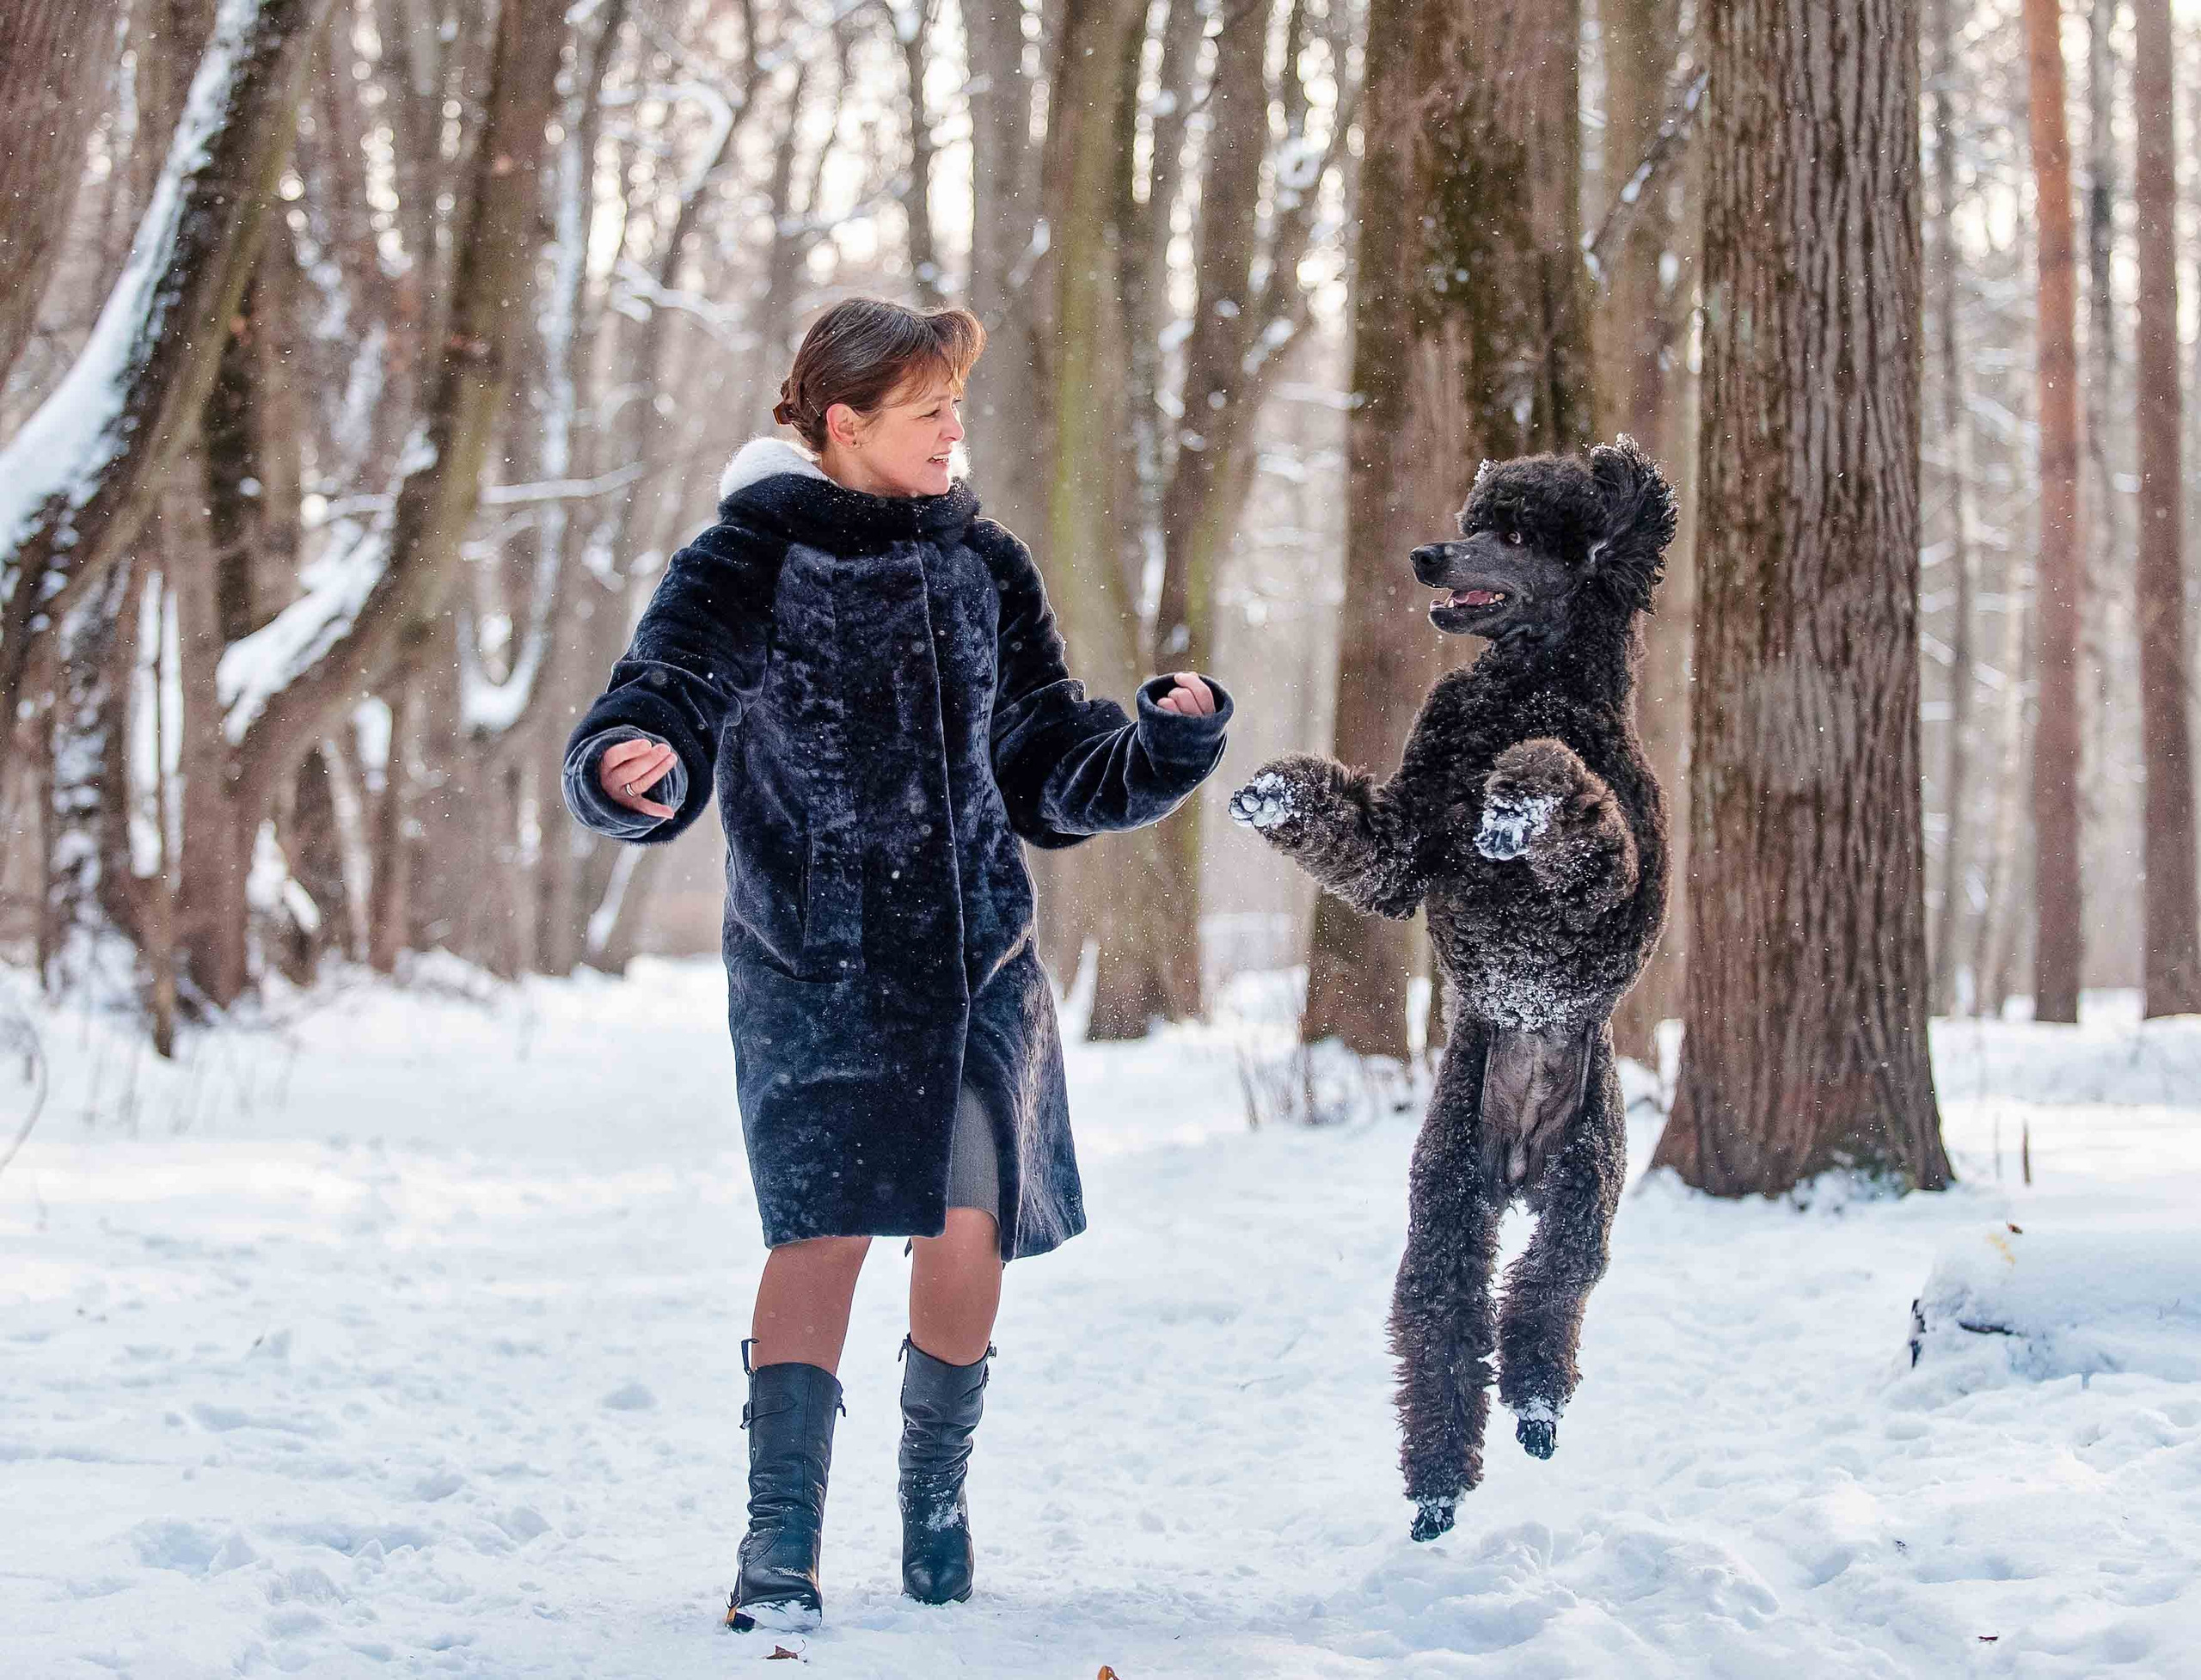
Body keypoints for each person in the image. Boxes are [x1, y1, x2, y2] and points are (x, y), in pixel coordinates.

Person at [561, 297, 1234, 1630]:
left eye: (957, 407)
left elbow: (1046, 763)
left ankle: (934, 1490)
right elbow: (665, 692)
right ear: (845, 424)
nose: (953, 431)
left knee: (969, 1223)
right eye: (928, 410)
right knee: (822, 1235)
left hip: (978, 961)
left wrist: (1158, 744)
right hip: (817, 964)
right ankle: (778, 1543)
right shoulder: (749, 557)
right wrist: (635, 761)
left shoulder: (987, 565)